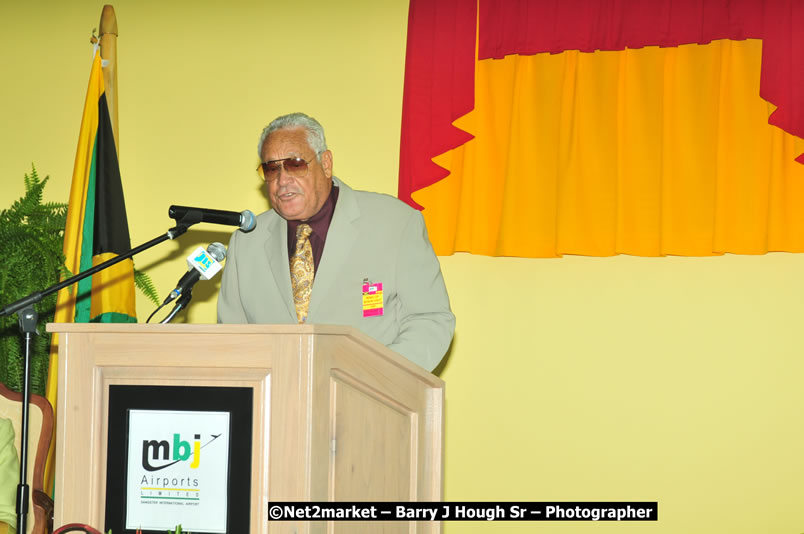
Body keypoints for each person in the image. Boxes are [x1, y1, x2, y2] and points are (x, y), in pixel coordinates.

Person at [217, 112, 455, 371]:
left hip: (369, 399)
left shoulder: (395, 222)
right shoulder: (246, 242)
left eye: (295, 164)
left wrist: (378, 379)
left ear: (326, 163)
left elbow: (430, 320)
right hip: (273, 404)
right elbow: (232, 340)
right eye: (271, 169)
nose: (282, 180)